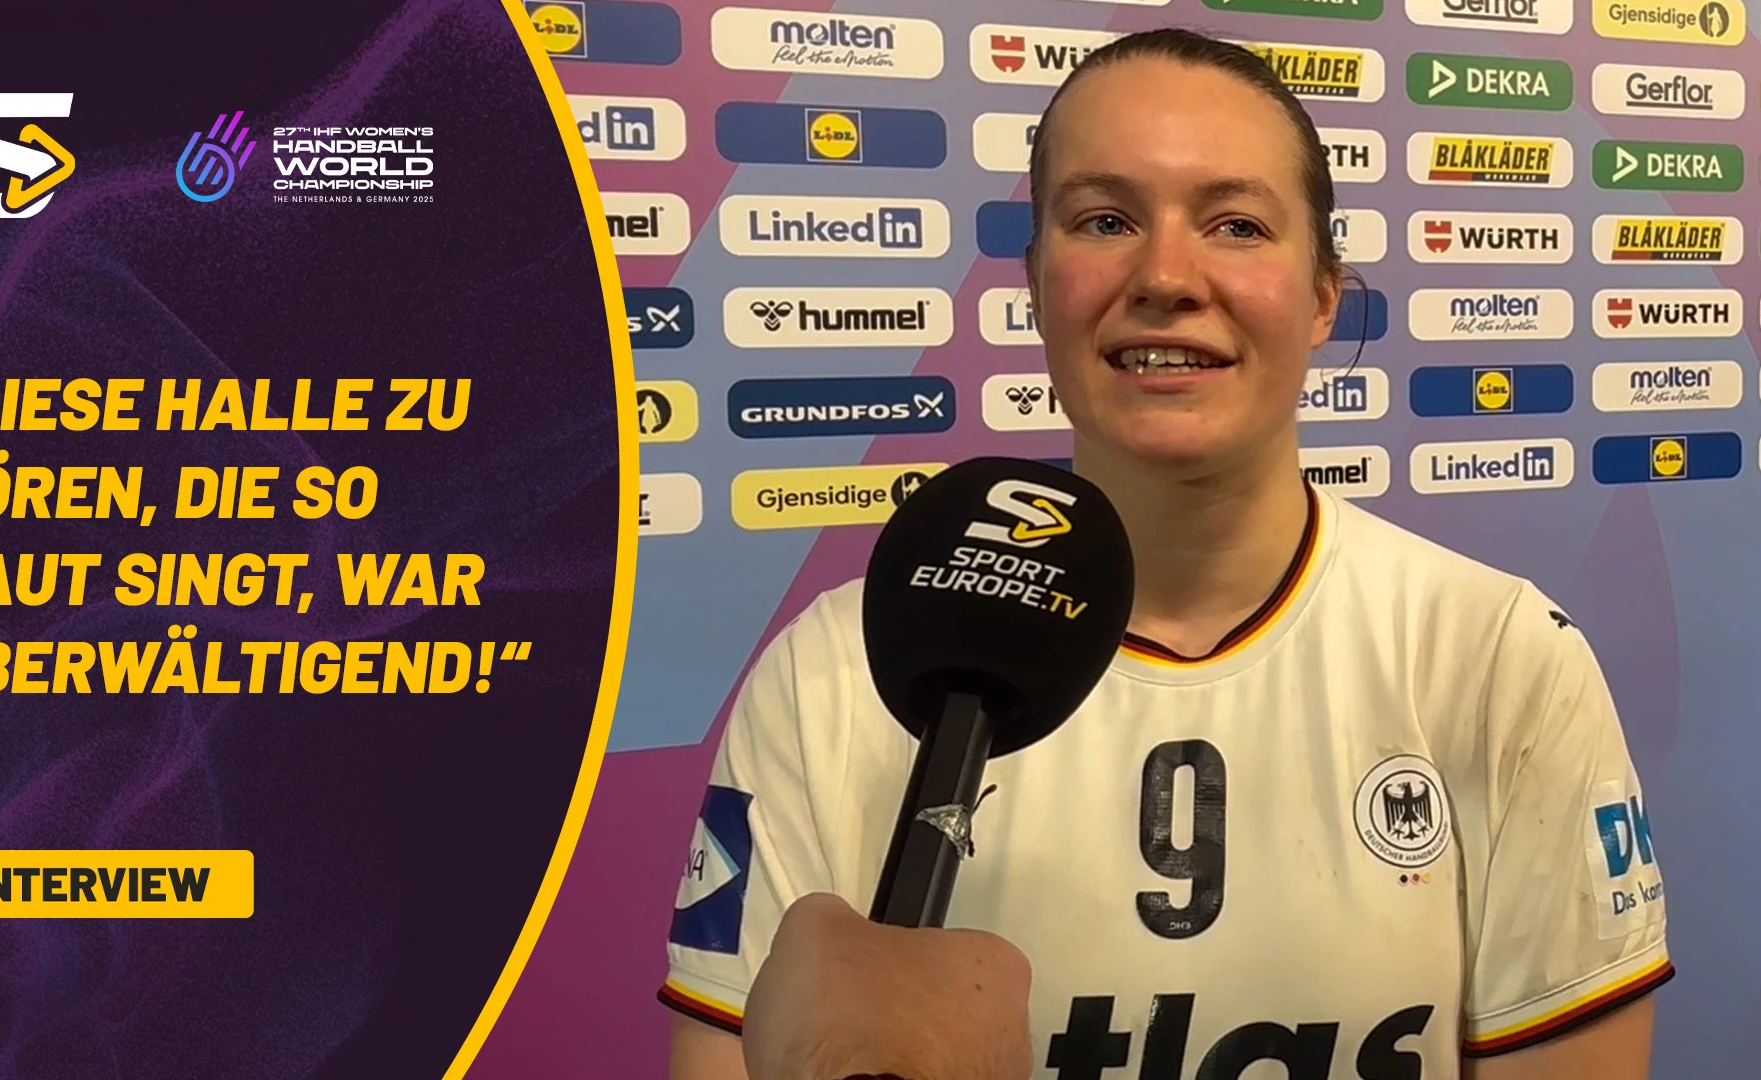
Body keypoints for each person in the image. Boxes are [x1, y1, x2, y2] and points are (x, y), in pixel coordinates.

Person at [655, 27, 1671, 1080]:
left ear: (1323, 296)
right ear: (1036, 284)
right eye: (1105, 220)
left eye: (1237, 225)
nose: (1167, 276)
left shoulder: (1499, 658)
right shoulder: (833, 676)